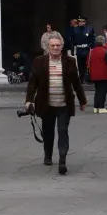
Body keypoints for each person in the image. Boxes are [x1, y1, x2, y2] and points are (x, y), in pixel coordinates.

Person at [25, 31, 86, 174]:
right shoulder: (39, 61)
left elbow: (76, 82)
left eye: (58, 45)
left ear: (62, 46)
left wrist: (82, 100)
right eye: (53, 45)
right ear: (48, 47)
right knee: (48, 131)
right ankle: (48, 155)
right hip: (46, 103)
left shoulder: (69, 61)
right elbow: (33, 83)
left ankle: (62, 160)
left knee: (63, 131)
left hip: (64, 103)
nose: (56, 48)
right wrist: (29, 100)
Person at [87, 34, 107, 112]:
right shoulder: (106, 51)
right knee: (103, 91)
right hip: (104, 75)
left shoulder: (92, 51)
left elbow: (87, 63)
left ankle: (96, 107)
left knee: (97, 91)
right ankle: (101, 108)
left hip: (94, 75)